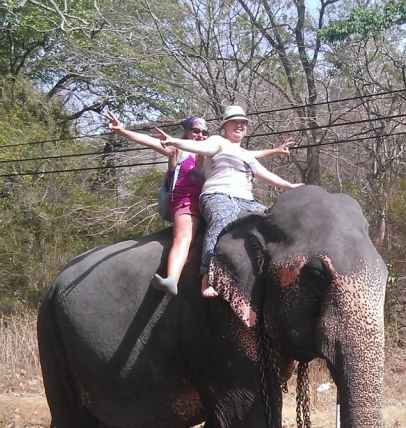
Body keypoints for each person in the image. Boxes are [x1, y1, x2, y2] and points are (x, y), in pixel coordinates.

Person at [106, 111, 294, 296]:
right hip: (185, 201)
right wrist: (122, 131)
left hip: (210, 199)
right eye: (195, 131)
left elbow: (246, 154)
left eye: (204, 132)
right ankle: (172, 279)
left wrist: (275, 151)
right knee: (185, 237)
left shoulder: (208, 154)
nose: (201, 135)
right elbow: (151, 142)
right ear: (186, 132)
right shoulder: (178, 150)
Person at [159, 105, 303, 298]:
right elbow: (200, 147)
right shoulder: (217, 141)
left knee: (274, 221)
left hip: (246, 200)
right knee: (221, 222)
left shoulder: (244, 153)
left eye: (243, 123)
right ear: (225, 125)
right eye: (235, 122)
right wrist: (175, 141)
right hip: (217, 195)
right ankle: (207, 278)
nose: (240, 125)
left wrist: (289, 186)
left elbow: (264, 174)